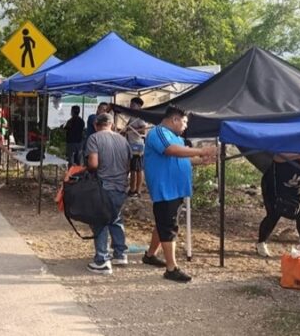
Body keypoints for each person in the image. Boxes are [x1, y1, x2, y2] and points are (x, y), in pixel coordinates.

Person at [142, 105, 218, 283]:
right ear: (174, 119)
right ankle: (171, 268)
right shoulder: (158, 133)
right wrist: (201, 150)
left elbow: (183, 158)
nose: (185, 126)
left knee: (163, 222)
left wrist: (201, 160)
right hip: (165, 187)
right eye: (184, 122)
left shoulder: (177, 138)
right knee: (169, 226)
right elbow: (171, 150)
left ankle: (150, 255)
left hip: (176, 187)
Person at [85, 113, 132, 275]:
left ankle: (102, 259)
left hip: (103, 187)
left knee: (100, 221)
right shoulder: (123, 140)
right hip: (121, 187)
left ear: (96, 125)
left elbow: (93, 163)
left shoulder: (94, 138)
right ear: (112, 124)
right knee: (116, 218)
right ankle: (120, 254)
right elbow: (129, 165)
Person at [256, 154, 300, 258]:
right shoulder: (291, 156)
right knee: (274, 214)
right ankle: (261, 244)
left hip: (298, 189)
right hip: (274, 186)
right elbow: (276, 158)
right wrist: (299, 156)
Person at [121, 97, 149, 198]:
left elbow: (144, 130)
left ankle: (136, 190)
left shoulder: (140, 117)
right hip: (131, 145)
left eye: (133, 105)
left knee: (137, 169)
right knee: (133, 168)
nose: (130, 106)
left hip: (137, 146)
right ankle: (133, 189)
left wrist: (132, 129)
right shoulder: (133, 116)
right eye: (130, 104)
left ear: (139, 106)